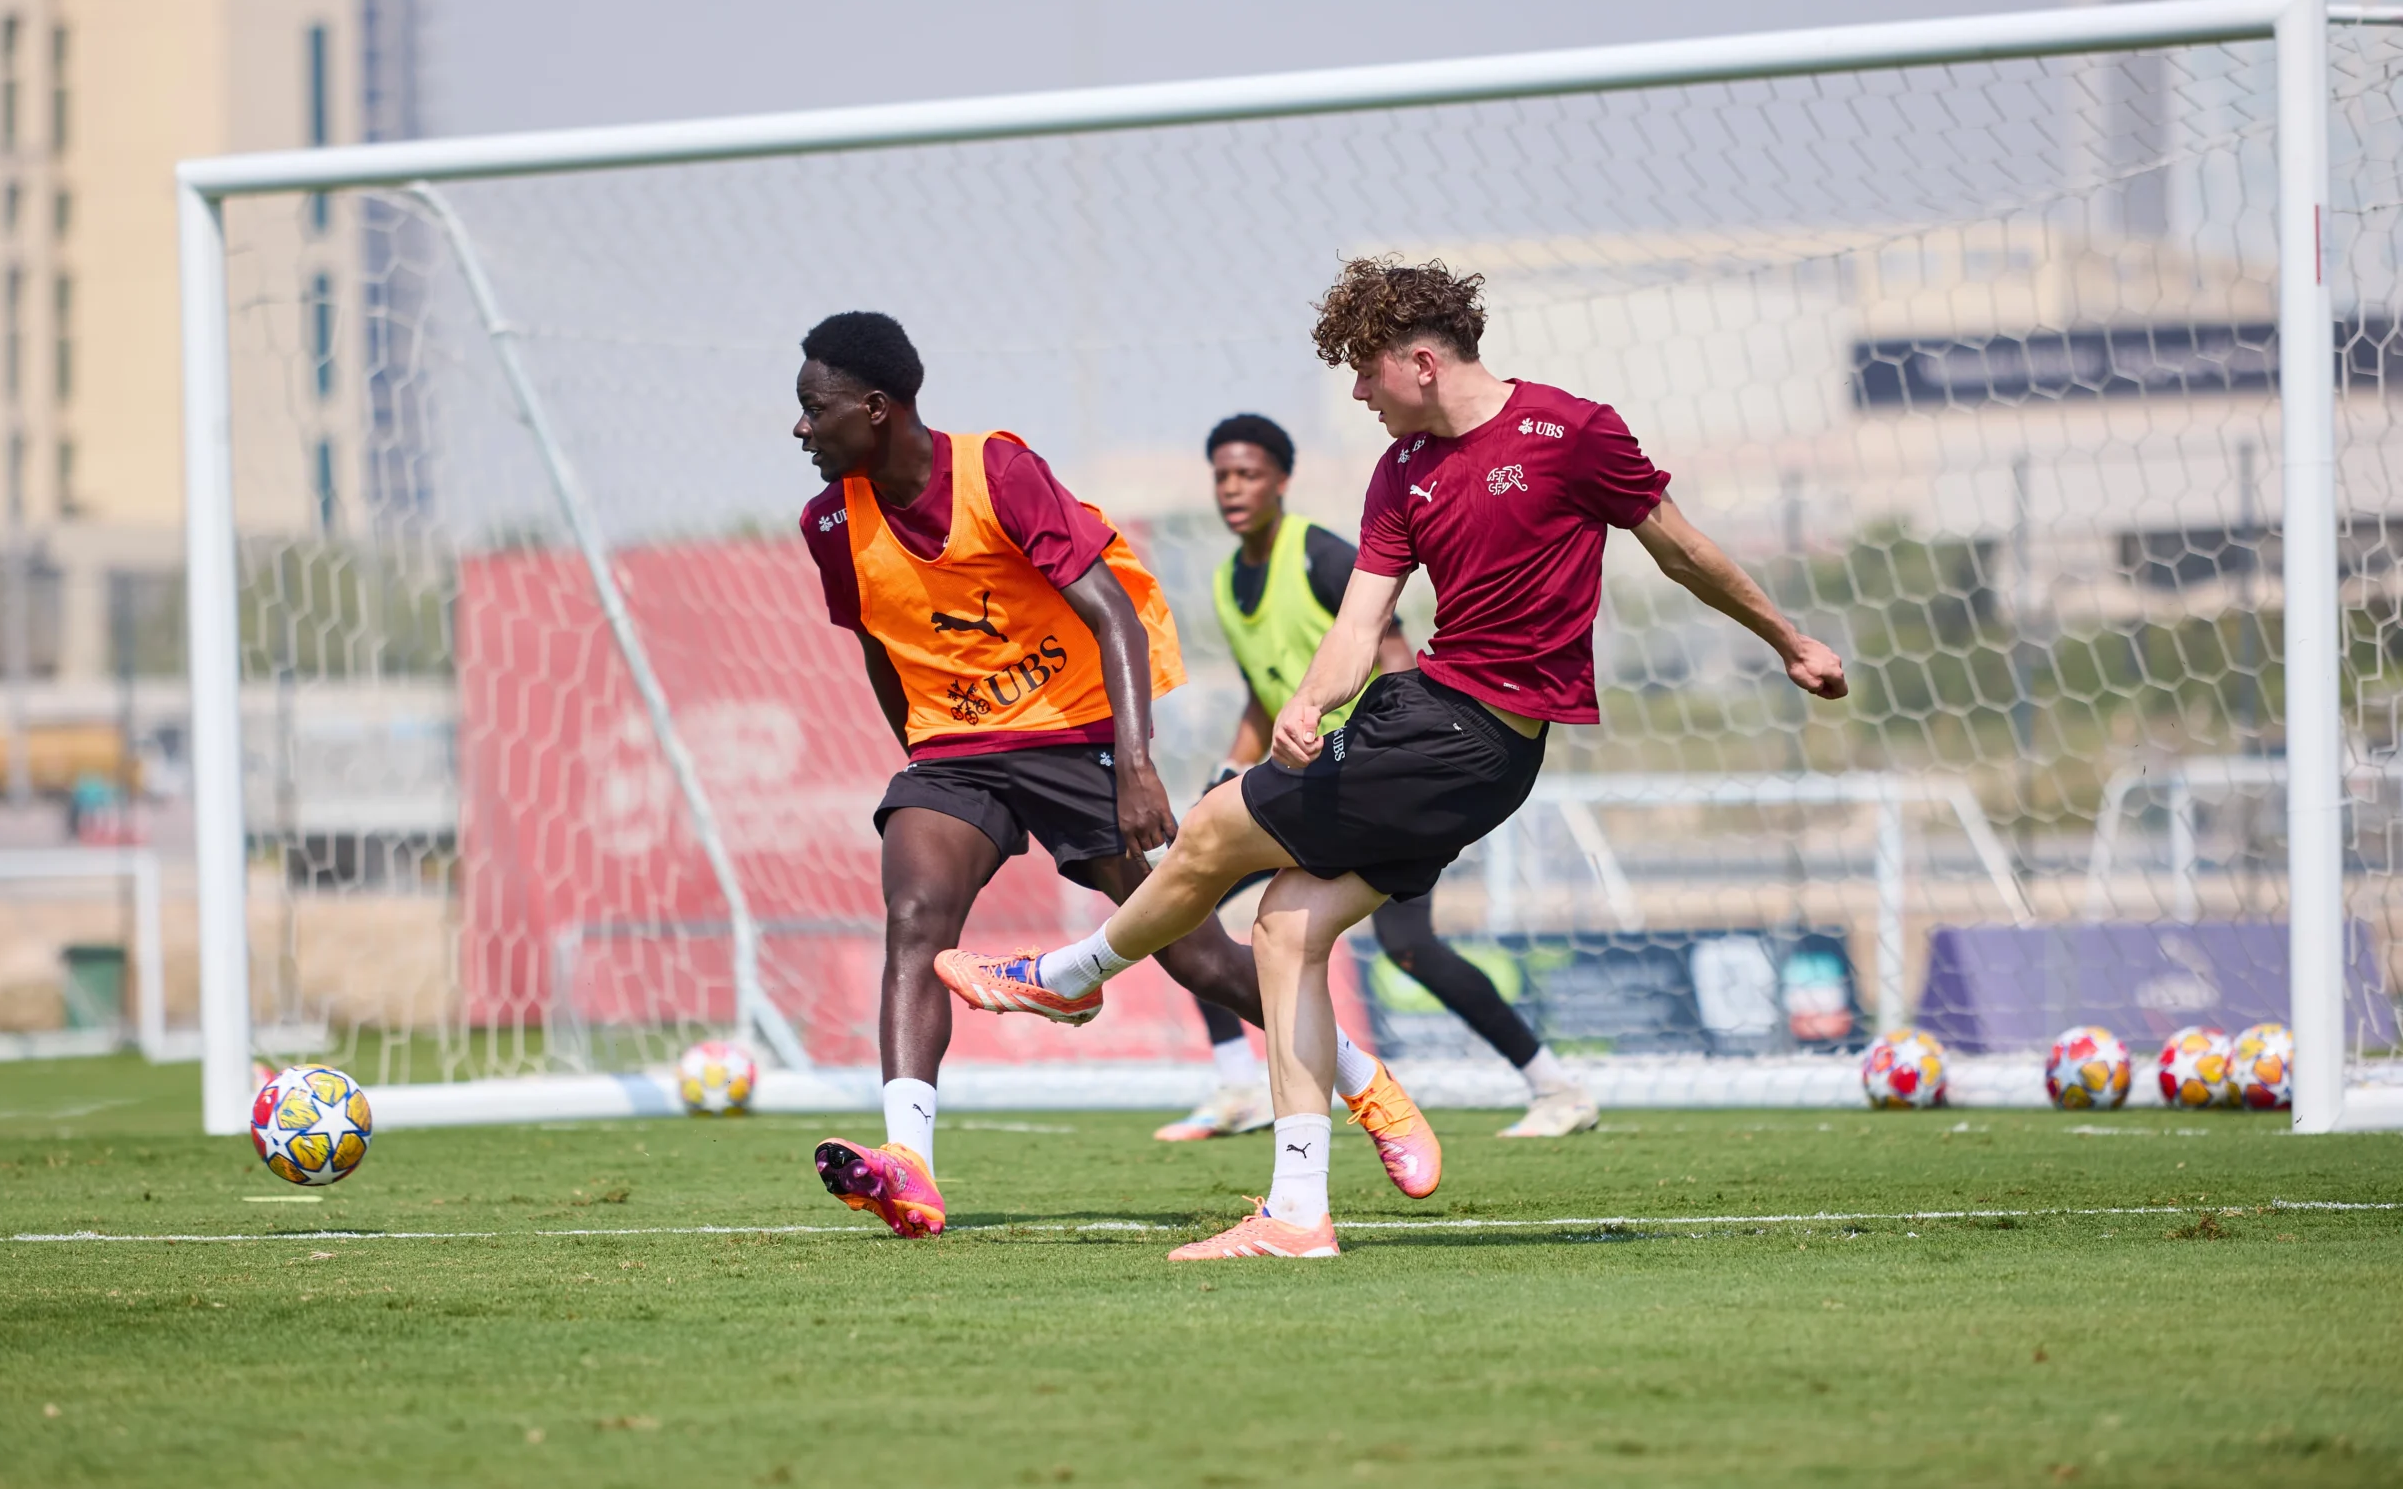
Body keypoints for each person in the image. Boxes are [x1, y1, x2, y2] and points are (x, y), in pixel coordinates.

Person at [939, 259, 1847, 1259]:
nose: (1359, 396)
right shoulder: (1400, 473)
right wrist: (1308, 705)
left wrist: (1787, 638)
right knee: (1285, 931)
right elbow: (1359, 619)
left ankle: (1071, 973)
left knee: (1208, 829)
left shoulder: (1570, 432)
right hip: (1440, 733)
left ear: (1421, 361)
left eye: (1366, 375)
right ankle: (1296, 1213)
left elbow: (1679, 547)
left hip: (1460, 733)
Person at [791, 311, 1434, 1239]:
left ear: (877, 408)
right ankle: (909, 1164)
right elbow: (881, 649)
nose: (803, 429)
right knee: (915, 915)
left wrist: (1133, 765)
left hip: (1071, 734)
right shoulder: (827, 522)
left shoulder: (998, 473)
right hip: (955, 753)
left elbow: (1115, 616)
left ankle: (1367, 1084)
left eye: (816, 409)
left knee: (1197, 953)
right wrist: (921, 757)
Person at [1156, 412, 1599, 1144]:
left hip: (1374, 775)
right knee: (1185, 888)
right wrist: (1229, 772)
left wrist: (1397, 758)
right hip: (1306, 775)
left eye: (1249, 474)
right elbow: (1260, 690)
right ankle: (1239, 1084)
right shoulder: (1230, 581)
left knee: (1409, 947)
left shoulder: (1323, 558)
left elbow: (1391, 655)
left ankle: (1553, 1084)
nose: (1233, 489)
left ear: (1281, 482)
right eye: (1222, 476)